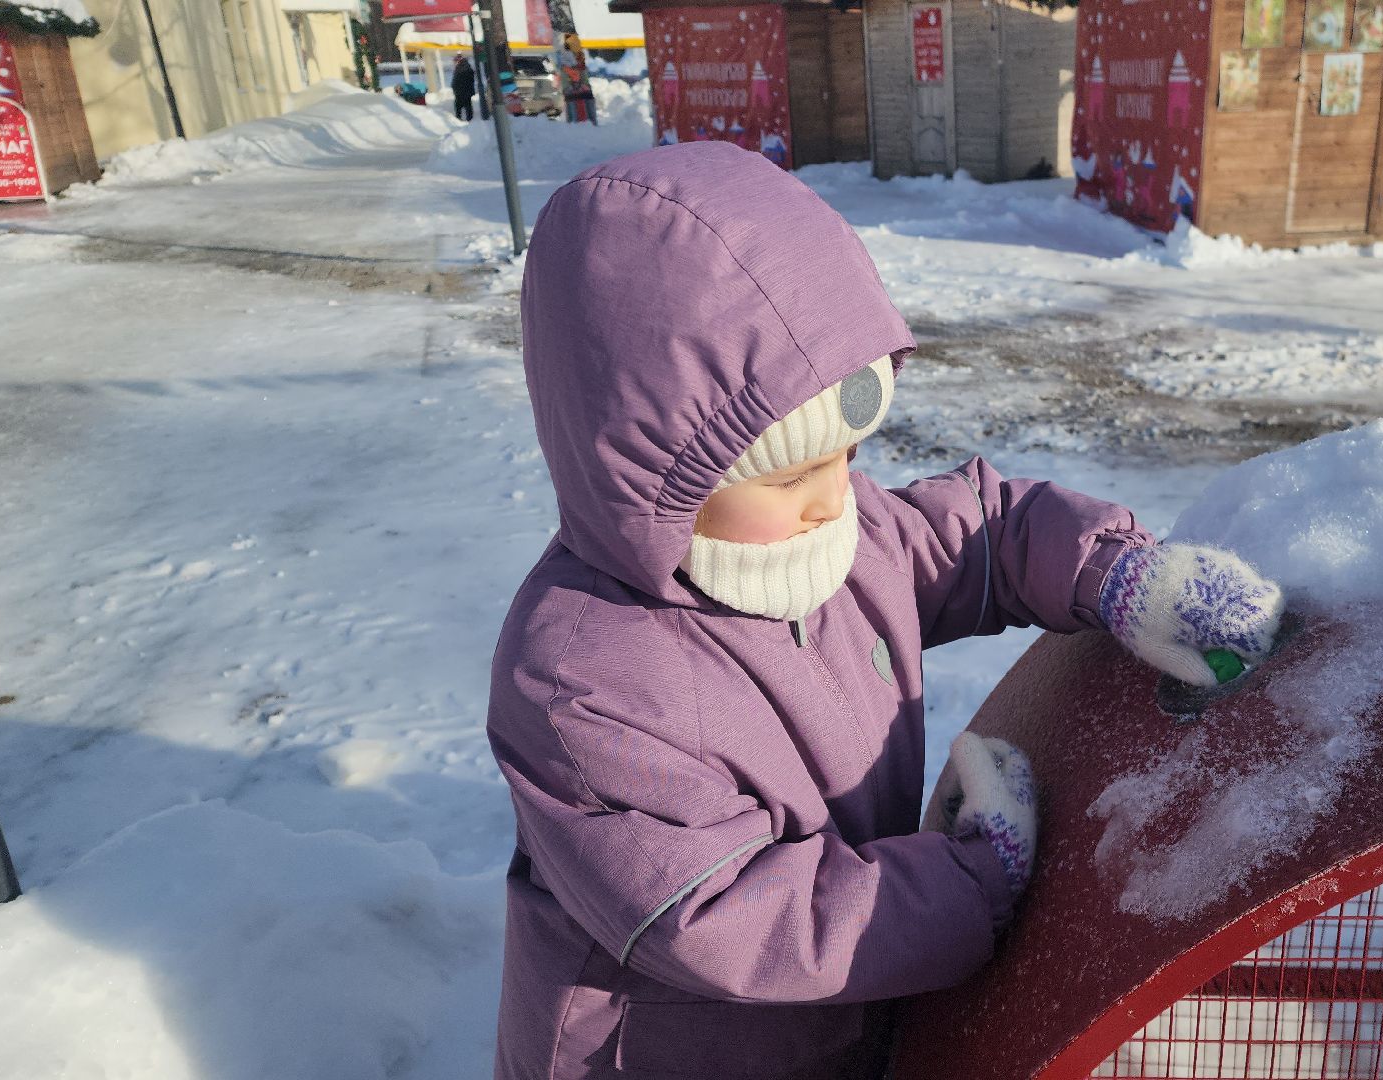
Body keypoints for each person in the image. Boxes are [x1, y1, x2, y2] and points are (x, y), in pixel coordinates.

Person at [488, 142, 1285, 1080]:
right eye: (791, 474)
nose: (835, 500)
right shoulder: (582, 686)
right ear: (650, 477)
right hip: (672, 1053)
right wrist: (965, 887)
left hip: (831, 1015)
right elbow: (732, 919)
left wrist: (1115, 576)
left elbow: (978, 535)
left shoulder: (823, 538)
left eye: (848, 456)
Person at [452, 55, 475, 122]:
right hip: (466, 90)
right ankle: (469, 118)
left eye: (455, 61)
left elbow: (457, 80)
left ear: (458, 61)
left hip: (461, 90)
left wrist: (455, 87)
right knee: (467, 104)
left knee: (459, 104)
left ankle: (459, 118)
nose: (454, 63)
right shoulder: (467, 66)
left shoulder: (460, 68)